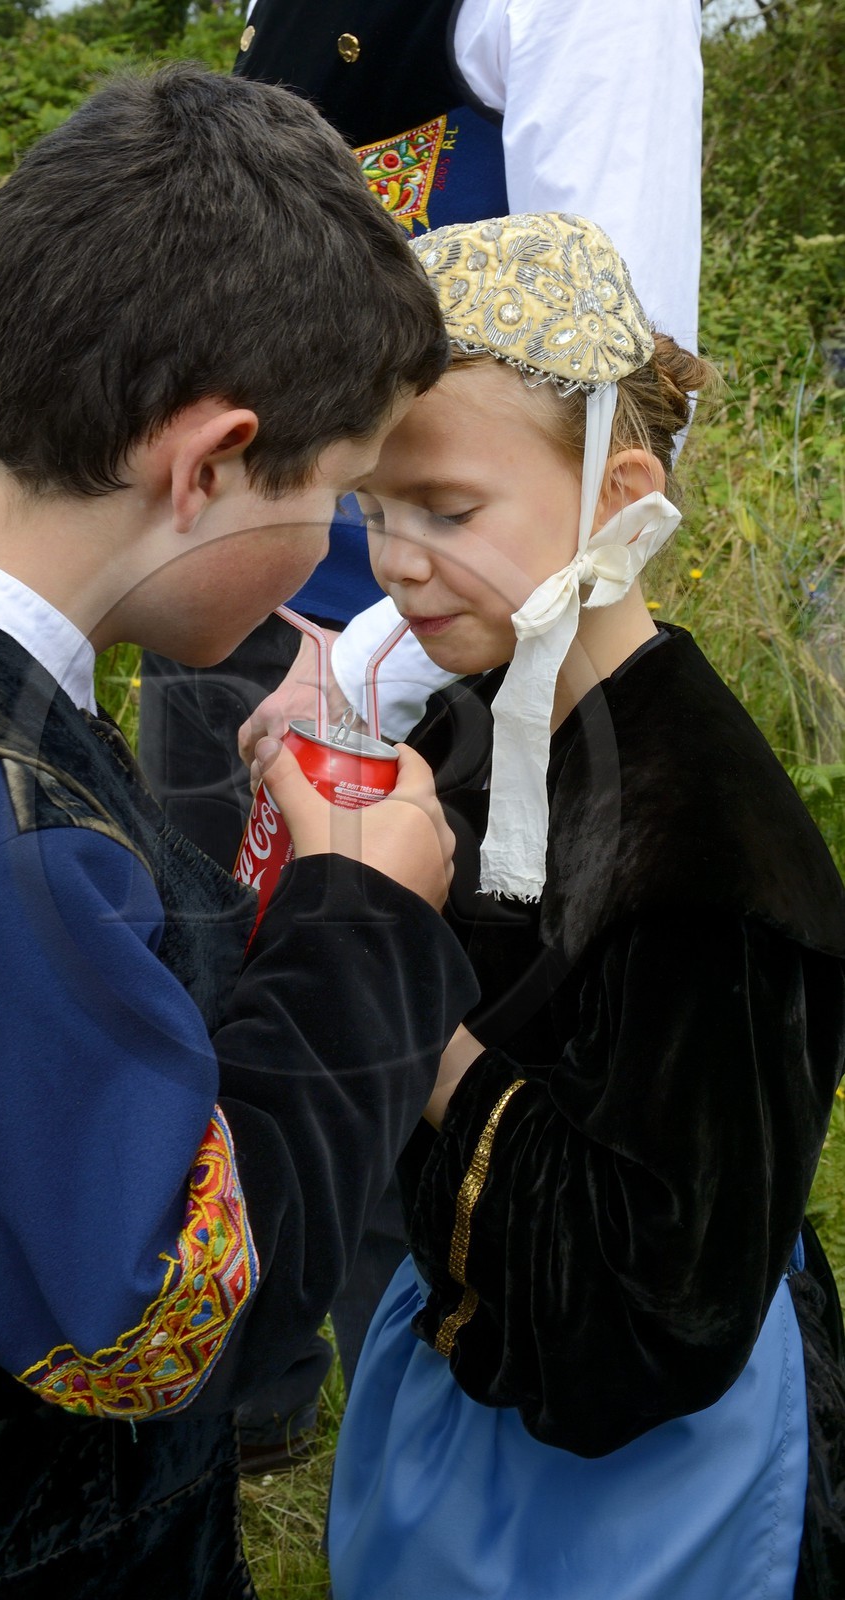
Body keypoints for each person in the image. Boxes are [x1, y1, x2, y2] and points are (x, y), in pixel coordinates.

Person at [0, 65, 480, 1600]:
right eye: (342, 493)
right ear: (211, 464)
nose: (343, 549)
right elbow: (169, 1326)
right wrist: (364, 922)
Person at [137, 1, 703, 1442]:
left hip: (425, 651)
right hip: (225, 604)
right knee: (207, 1000)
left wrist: (380, 667)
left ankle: (437, 1437)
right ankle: (230, 1397)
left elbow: (617, 376)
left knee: (412, 1059)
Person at [323, 212, 845, 1600]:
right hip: (458, 1390)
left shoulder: (716, 864)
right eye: (375, 507)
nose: (394, 559)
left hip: (652, 1491)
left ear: (617, 498)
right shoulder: (472, 731)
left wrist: (417, 1021)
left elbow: (661, 1313)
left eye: (445, 509)